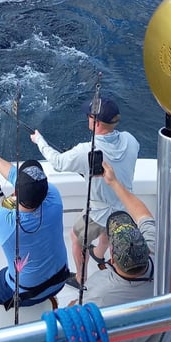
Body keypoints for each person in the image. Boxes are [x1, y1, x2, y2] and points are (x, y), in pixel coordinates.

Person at [30, 97, 139, 289]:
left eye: (89, 116)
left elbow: (57, 162)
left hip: (99, 212)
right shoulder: (131, 140)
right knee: (110, 227)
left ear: (96, 123)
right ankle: (99, 252)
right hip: (125, 206)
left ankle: (81, 278)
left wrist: (39, 140)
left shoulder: (85, 151)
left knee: (76, 237)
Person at [73, 161, 171, 342]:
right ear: (145, 247)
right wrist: (114, 182)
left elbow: (75, 321)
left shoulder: (99, 291)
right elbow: (143, 214)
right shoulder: (160, 256)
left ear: (113, 258)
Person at [0, 141, 69, 309]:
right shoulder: (54, 195)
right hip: (60, 279)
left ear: (15, 193)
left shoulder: (3, 221)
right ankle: (50, 302)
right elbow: (14, 175)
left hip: (25, 292)